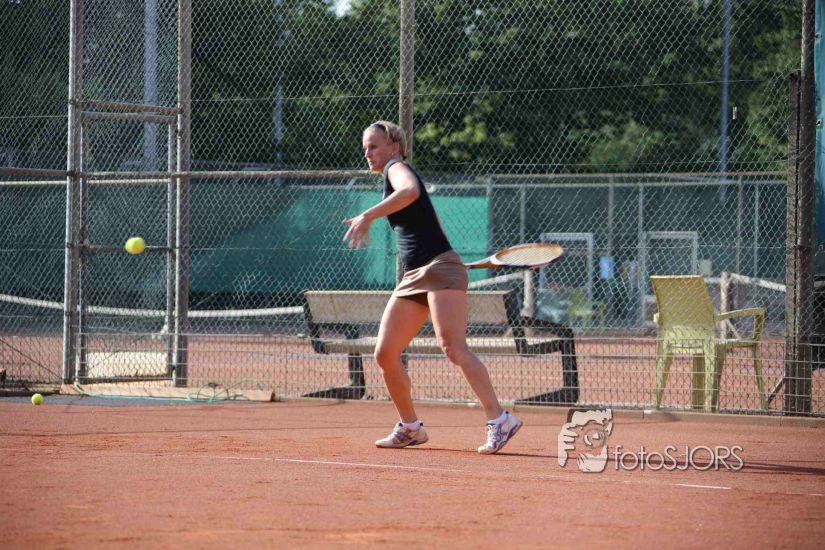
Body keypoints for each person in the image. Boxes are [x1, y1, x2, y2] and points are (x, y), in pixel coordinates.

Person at [342, 120, 522, 454]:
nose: (367, 153)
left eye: (374, 146)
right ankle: (410, 427)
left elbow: (409, 192)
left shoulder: (396, 168)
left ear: (394, 147)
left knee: (453, 347)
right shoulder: (391, 173)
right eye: (365, 147)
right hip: (416, 274)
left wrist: (367, 215)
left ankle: (500, 420)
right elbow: (429, 221)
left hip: (438, 269)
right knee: (385, 353)